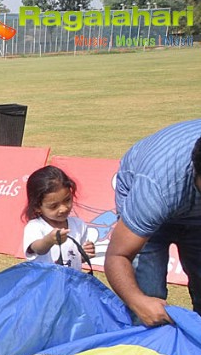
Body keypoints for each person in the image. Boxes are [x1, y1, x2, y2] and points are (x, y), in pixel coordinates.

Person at [105, 120, 201, 326]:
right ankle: (144, 348)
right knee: (148, 295)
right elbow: (117, 255)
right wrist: (138, 301)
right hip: (153, 197)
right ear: (195, 172)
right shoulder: (155, 189)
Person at [21, 165, 95, 271]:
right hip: (45, 284)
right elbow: (38, 249)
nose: (63, 208)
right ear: (37, 207)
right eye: (54, 206)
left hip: (70, 284)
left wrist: (86, 253)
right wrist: (48, 241)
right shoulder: (35, 227)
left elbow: (76, 258)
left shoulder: (79, 225)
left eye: (67, 200)